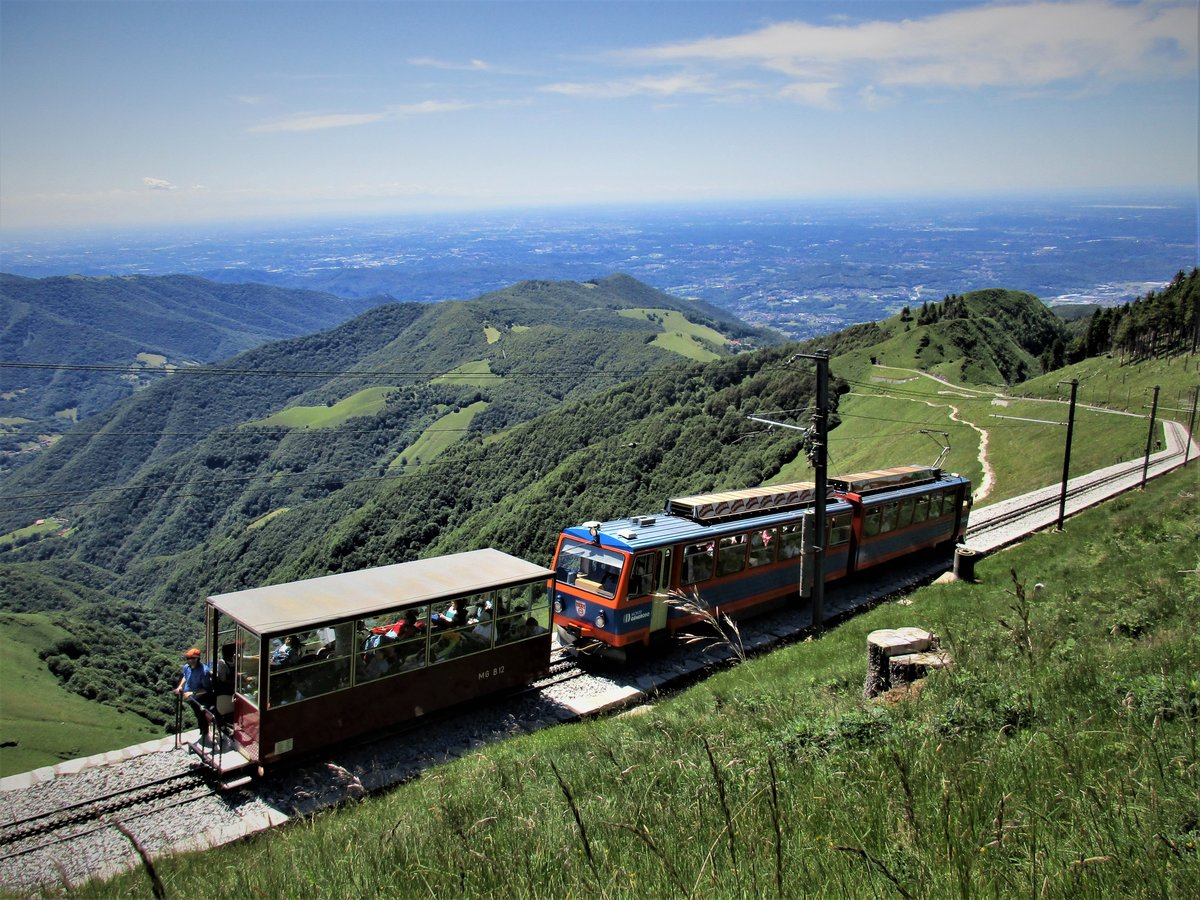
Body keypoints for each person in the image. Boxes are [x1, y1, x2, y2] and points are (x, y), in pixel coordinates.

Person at [174, 647, 214, 743]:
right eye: (187, 658)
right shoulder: (186, 667)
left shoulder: (203, 671)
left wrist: (192, 693)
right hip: (191, 698)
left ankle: (205, 734)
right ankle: (204, 733)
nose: (187, 660)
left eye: (189, 658)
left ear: (196, 659)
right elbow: (185, 676)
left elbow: (207, 689)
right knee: (198, 715)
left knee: (201, 716)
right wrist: (180, 686)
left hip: (200, 698)